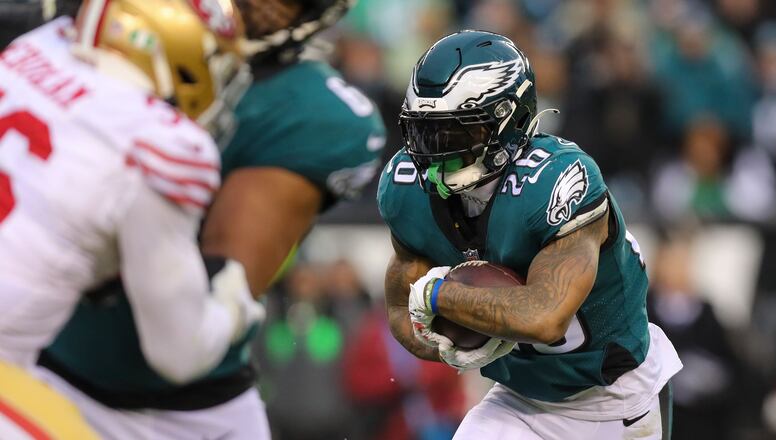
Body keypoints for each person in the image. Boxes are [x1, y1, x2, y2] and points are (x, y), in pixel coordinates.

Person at [36, 0, 386, 438]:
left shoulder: (313, 111)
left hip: (188, 411)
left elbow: (201, 317)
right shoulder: (103, 20)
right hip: (42, 358)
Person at [377, 30, 683, 440]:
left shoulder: (555, 180)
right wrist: (449, 346)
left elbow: (544, 318)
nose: (434, 151)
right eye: (425, 132)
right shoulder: (406, 187)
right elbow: (401, 308)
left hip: (615, 399)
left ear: (508, 118)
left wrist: (438, 295)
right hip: (519, 398)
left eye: (454, 132)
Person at [0, 0, 261, 437]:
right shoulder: (163, 146)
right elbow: (178, 353)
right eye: (212, 57)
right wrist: (233, 307)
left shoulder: (34, 48)